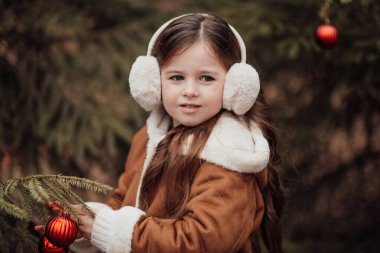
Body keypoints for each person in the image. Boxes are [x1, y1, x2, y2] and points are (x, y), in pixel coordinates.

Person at [37, 13, 284, 253]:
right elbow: (124, 202)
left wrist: (107, 230)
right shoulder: (148, 136)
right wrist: (88, 223)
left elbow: (200, 242)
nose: (190, 90)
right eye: (176, 77)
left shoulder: (228, 156)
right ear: (154, 82)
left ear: (233, 86)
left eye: (206, 78)